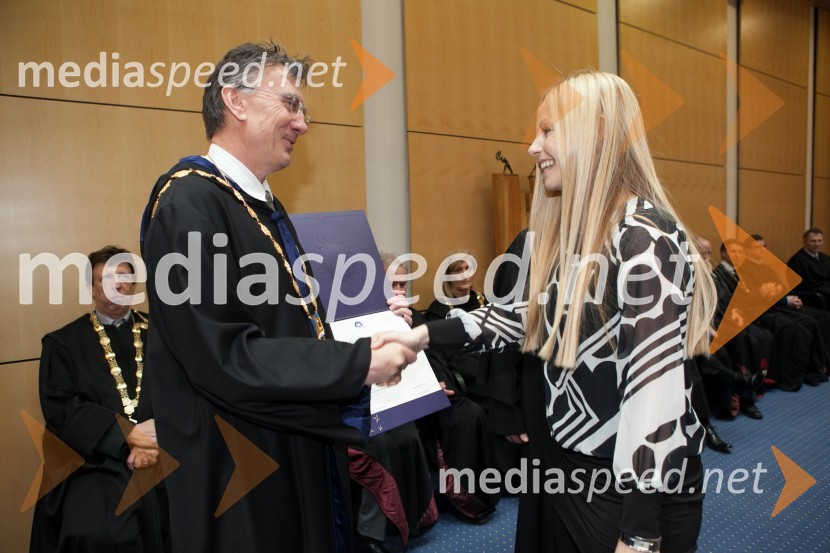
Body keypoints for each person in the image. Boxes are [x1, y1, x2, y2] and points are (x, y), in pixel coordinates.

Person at [374, 71, 718, 553]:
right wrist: (421, 336)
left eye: (548, 130)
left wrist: (639, 534)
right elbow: (522, 317)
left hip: (632, 494)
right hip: (572, 468)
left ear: (597, 131)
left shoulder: (642, 236)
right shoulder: (581, 239)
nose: (534, 147)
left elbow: (654, 392)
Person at [140, 42, 416, 553]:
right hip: (238, 461)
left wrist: (363, 339)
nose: (303, 123)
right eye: (290, 103)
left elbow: (287, 327)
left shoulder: (257, 203)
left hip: (288, 434)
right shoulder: (189, 202)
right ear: (236, 101)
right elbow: (221, 353)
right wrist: (354, 363)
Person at [30, 246, 167, 552]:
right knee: (94, 533)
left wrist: (159, 433)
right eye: (104, 279)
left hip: (166, 450)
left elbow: (187, 393)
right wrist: (127, 435)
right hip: (97, 462)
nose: (117, 286)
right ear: (89, 288)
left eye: (124, 278)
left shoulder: (164, 334)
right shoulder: (63, 343)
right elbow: (62, 411)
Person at [347, 255, 437, 553]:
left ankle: (408, 521)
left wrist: (403, 327)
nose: (399, 291)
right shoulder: (346, 311)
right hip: (348, 404)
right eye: (392, 284)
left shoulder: (405, 314)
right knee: (380, 447)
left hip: (390, 399)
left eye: (402, 284)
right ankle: (371, 534)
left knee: (409, 434)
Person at [788, 228, 830, 309]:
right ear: (804, 242)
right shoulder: (798, 260)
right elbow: (806, 284)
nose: (817, 244)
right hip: (811, 293)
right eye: (813, 241)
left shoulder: (823, 257)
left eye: (820, 241)